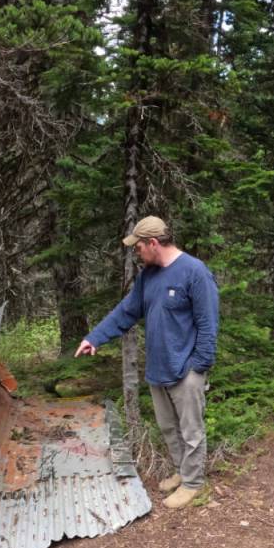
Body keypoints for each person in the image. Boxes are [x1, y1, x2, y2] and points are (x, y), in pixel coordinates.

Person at [75, 216, 219, 509]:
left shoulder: (194, 272)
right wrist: (95, 338)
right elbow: (127, 311)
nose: (136, 252)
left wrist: (198, 368)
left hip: (186, 370)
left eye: (139, 247)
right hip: (158, 369)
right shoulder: (149, 276)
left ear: (154, 243)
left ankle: (193, 484)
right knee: (169, 427)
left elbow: (208, 325)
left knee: (191, 431)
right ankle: (182, 471)